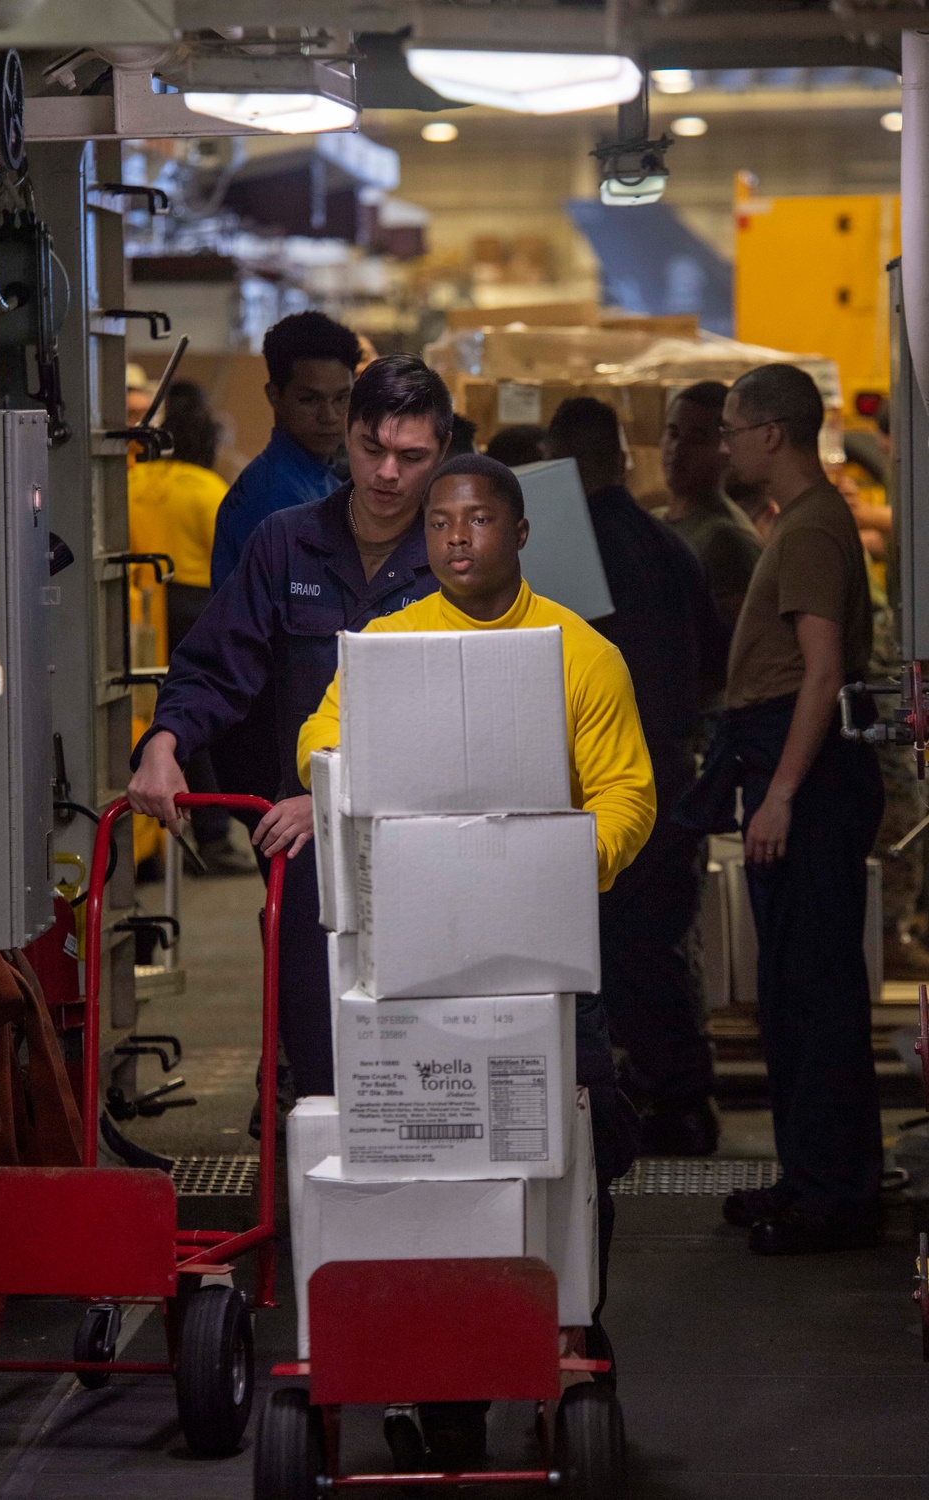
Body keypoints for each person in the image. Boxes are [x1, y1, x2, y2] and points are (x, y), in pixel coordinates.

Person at [298, 453, 656, 1466]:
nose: (457, 539)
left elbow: (626, 791)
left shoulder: (579, 656)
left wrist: (543, 871)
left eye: (480, 521)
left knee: (567, 1153)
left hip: (538, 960)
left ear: (520, 530)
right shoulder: (387, 647)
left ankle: (569, 1324)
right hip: (409, 956)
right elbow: (322, 742)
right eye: (442, 523)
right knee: (425, 1159)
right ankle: (432, 1351)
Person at [127, 355, 454, 1097]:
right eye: (373, 448)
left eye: (412, 457)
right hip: (309, 854)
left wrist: (340, 794)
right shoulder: (285, 543)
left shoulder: (461, 554)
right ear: (348, 433)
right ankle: (319, 1191)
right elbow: (214, 663)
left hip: (432, 847)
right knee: (319, 1053)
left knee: (428, 1059)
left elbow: (471, 725)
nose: (388, 475)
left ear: (444, 450)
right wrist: (165, 743)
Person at [680, 363, 884, 1254]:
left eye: (729, 428)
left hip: (807, 777)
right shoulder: (803, 523)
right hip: (792, 769)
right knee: (795, 991)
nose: (723, 444)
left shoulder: (806, 533)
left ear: (772, 433)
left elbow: (822, 676)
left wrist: (783, 798)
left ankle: (834, 1198)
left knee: (814, 991)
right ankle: (811, 1178)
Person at [546, 397, 728, 1156]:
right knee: (653, 940)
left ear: (556, 461)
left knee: (626, 945)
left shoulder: (559, 546)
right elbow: (717, 662)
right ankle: (673, 1095)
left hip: (607, 774)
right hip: (671, 763)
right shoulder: (667, 542)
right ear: (622, 456)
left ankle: (680, 1104)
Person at [129, 382, 255, 876]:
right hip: (205, 608)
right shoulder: (211, 492)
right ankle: (215, 832)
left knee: (156, 720)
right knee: (208, 725)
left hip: (145, 611)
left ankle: (160, 834)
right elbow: (238, 564)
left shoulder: (134, 482)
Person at [210, 311, 362, 590]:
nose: (329, 416)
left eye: (342, 398)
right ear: (274, 395)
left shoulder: (326, 482)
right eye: (309, 399)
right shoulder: (272, 498)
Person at [659, 382, 762, 627]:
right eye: (673, 434)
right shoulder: (656, 521)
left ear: (726, 450)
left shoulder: (726, 541)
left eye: (697, 439)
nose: (677, 448)